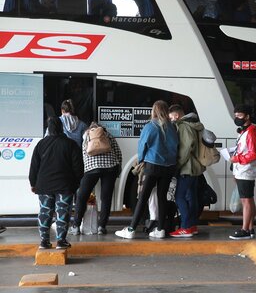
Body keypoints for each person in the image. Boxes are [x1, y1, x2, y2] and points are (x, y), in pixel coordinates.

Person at [116, 101, 178, 239]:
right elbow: (176, 147)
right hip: (169, 167)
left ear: (154, 111)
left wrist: (142, 159)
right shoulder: (172, 127)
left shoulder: (150, 126)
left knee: (143, 197)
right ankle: (160, 229)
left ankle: (131, 229)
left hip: (153, 165)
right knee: (162, 197)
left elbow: (142, 145)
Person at [29, 117, 84, 249]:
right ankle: (60, 241)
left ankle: (44, 241)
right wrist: (75, 183)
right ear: (61, 128)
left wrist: (33, 183)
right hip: (65, 186)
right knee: (63, 213)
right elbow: (78, 168)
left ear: (49, 128)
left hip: (44, 186)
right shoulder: (70, 144)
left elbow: (34, 167)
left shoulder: (41, 144)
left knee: (45, 213)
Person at [70, 122, 122, 235]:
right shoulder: (107, 134)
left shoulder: (86, 135)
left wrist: (83, 172)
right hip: (110, 167)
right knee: (106, 198)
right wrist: (118, 168)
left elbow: (84, 152)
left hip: (91, 168)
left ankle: (76, 225)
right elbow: (118, 152)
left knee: (82, 196)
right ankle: (102, 226)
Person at [168, 104, 206, 237]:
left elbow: (186, 147)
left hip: (187, 168)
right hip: (195, 167)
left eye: (171, 117)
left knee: (179, 197)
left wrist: (177, 164)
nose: (170, 120)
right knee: (191, 196)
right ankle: (192, 225)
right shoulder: (193, 124)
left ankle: (185, 227)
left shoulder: (183, 126)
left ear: (176, 115)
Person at [229, 105, 256, 240]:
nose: (237, 118)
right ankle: (250, 228)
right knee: (248, 199)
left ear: (247, 116)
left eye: (240, 116)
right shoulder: (244, 131)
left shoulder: (252, 131)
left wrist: (237, 158)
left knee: (246, 201)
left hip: (246, 170)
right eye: (235, 115)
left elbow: (253, 154)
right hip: (241, 170)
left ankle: (245, 230)